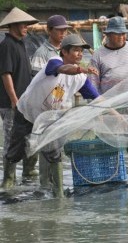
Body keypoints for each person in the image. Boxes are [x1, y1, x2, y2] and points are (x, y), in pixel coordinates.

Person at [2, 34, 100, 196]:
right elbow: (63, 69)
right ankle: (8, 181)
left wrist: (117, 115)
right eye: (76, 50)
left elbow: (97, 98)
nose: (80, 54)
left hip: (49, 118)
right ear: (64, 52)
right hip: (27, 112)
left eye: (81, 51)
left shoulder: (81, 79)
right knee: (16, 149)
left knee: (54, 151)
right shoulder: (54, 62)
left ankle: (58, 190)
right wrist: (81, 68)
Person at [89, 16, 128, 183]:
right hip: (109, 107)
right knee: (106, 142)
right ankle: (108, 179)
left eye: (124, 34)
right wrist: (98, 109)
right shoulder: (98, 55)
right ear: (108, 35)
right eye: (118, 34)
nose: (122, 37)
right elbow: (93, 85)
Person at [30, 15, 71, 188]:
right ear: (49, 31)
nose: (63, 33)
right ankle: (45, 184)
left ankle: (56, 183)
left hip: (62, 106)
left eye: (65, 30)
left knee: (58, 145)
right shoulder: (42, 54)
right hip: (46, 108)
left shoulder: (67, 50)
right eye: (59, 30)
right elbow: (37, 83)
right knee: (46, 145)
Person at [0, 7, 39, 186]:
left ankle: (27, 175)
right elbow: (6, 74)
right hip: (10, 103)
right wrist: (15, 100)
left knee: (25, 136)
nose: (27, 28)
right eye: (24, 24)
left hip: (23, 103)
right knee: (11, 138)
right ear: (14, 25)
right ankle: (8, 180)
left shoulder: (20, 43)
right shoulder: (7, 45)